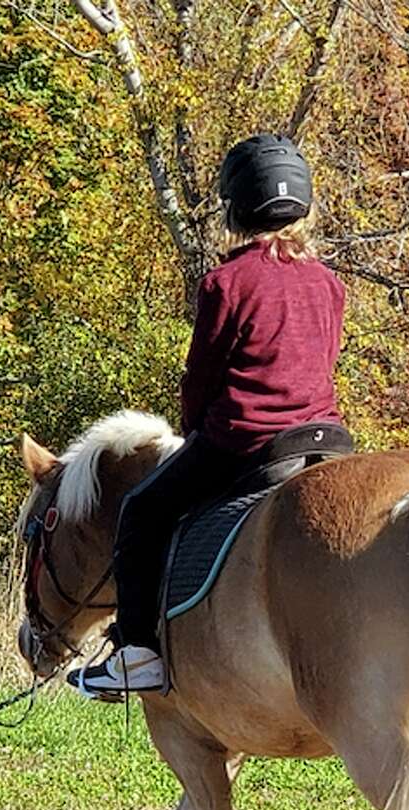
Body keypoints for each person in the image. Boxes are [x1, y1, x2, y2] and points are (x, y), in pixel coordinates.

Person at [76, 133, 346, 699]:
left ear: (237, 207)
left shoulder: (225, 283)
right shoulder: (328, 283)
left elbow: (201, 381)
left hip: (249, 443)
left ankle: (138, 654)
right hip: (326, 438)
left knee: (141, 511)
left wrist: (195, 428)